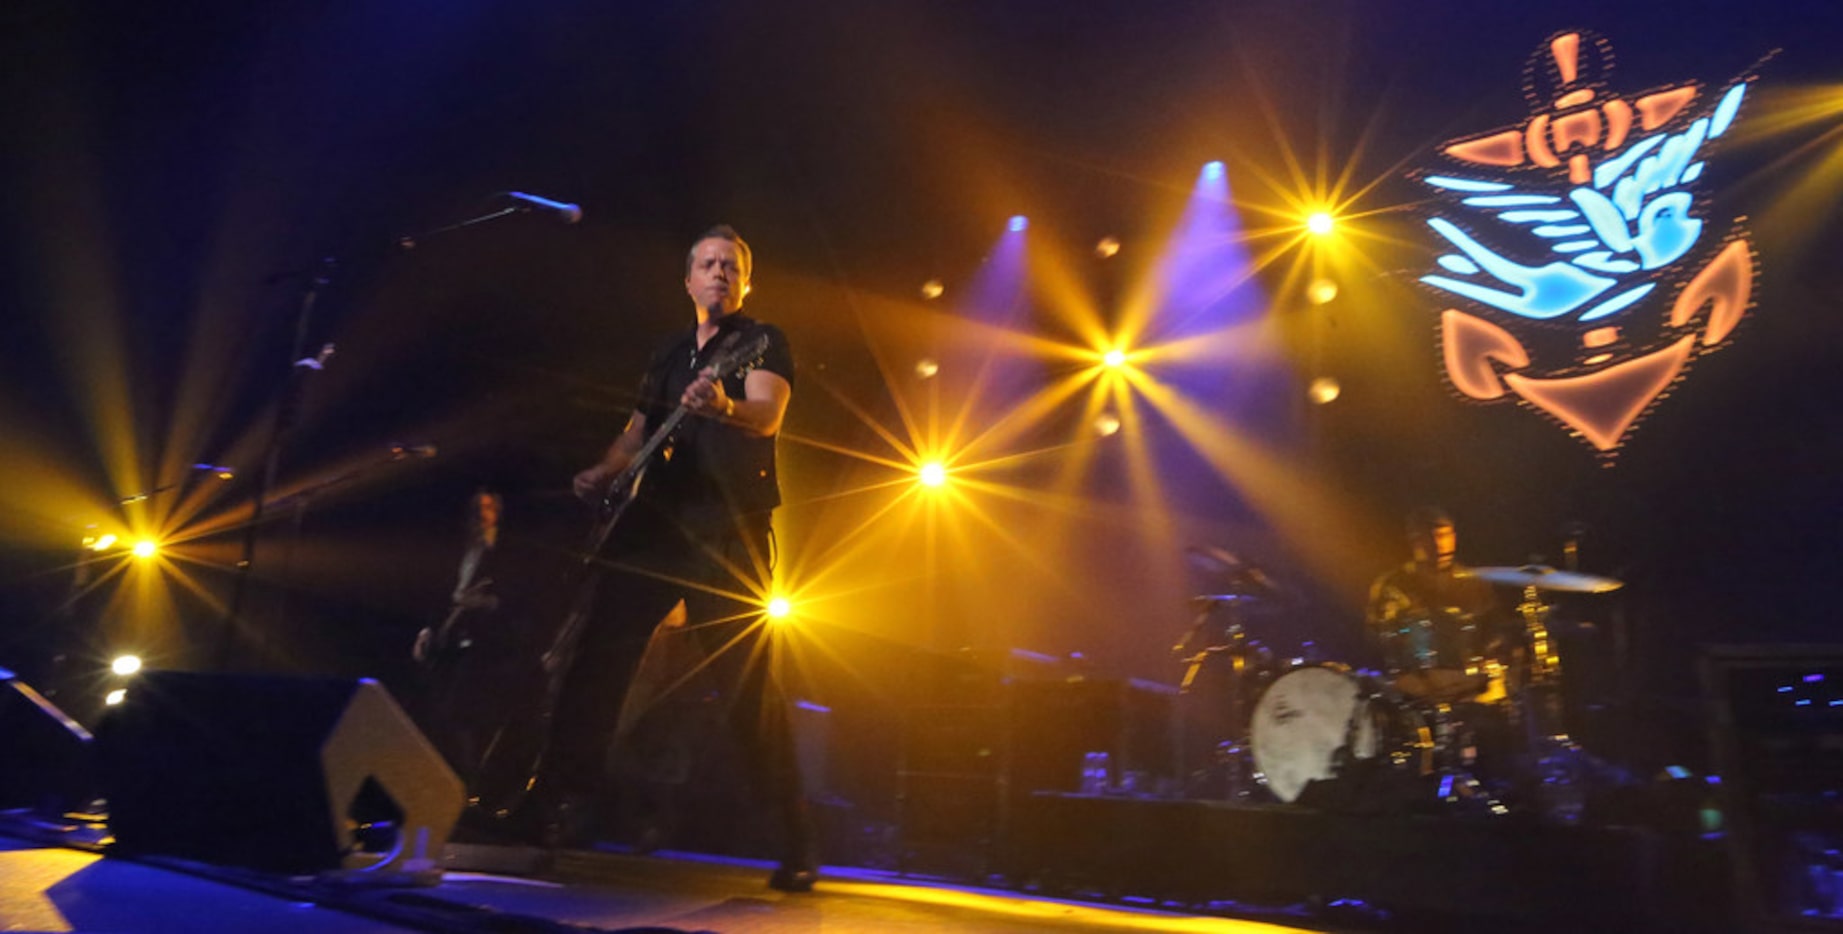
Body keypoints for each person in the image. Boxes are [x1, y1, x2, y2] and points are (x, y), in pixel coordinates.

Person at [547, 225, 815, 891]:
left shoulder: (760, 340)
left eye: (731, 265)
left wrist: (723, 405)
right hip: (656, 523)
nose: (719, 272)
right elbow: (636, 430)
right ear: (689, 280)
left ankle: (793, 836)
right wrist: (604, 470)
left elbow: (767, 415)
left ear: (744, 282)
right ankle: (555, 805)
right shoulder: (667, 352)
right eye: (707, 263)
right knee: (596, 657)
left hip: (729, 528)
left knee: (746, 682)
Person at [1365, 507, 1510, 703]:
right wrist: (1404, 680)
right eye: (1430, 537)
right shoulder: (1392, 586)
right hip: (1414, 694)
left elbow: (1496, 637)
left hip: (1469, 691)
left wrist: (1481, 674)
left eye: (1445, 535)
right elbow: (1376, 639)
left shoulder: (1475, 585)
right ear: (1414, 540)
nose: (1439, 545)